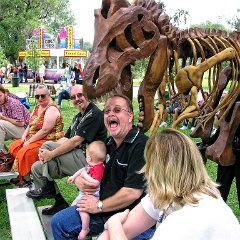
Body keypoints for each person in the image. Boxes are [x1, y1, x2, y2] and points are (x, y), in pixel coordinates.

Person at [99, 129, 240, 240]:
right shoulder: (171, 193)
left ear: (156, 170)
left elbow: (117, 230)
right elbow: (119, 232)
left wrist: (114, 224)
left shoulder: (185, 221)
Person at [51, 94, 155, 239]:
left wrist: (99, 206)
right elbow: (90, 169)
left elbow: (132, 192)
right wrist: (79, 181)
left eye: (117, 110)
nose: (111, 114)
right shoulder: (108, 144)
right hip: (103, 210)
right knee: (58, 222)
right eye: (107, 111)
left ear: (130, 116)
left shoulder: (142, 146)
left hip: (131, 217)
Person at [26, 84, 107, 216]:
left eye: (80, 95)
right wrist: (45, 154)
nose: (77, 99)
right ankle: (59, 202)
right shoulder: (77, 118)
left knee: (47, 146)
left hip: (90, 161)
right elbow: (65, 139)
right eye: (73, 97)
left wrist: (50, 152)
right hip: (75, 157)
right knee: (37, 168)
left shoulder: (94, 114)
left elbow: (75, 141)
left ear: (87, 95)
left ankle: (47, 187)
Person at [9, 85, 64, 187]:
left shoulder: (51, 109)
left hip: (49, 140)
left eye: (43, 96)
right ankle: (23, 175)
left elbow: (45, 131)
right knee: (14, 146)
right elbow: (30, 124)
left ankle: (25, 179)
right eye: (37, 96)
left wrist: (29, 141)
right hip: (35, 138)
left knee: (26, 152)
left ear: (49, 95)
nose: (39, 98)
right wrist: (24, 136)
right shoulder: (37, 107)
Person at [68, 140, 106, 240]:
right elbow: (82, 170)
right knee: (73, 205)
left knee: (82, 209)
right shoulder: (93, 165)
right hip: (84, 192)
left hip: (93, 194)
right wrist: (74, 176)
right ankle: (69, 215)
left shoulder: (100, 168)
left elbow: (96, 183)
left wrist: (85, 175)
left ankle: (85, 228)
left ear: (89, 158)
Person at [0, 85, 30, 153]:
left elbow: (21, 123)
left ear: (5, 93)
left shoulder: (13, 103)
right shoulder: (3, 103)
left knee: (0, 124)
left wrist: (3, 118)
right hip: (17, 128)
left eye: (0, 95)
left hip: (26, 131)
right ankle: (4, 154)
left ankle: (2, 154)